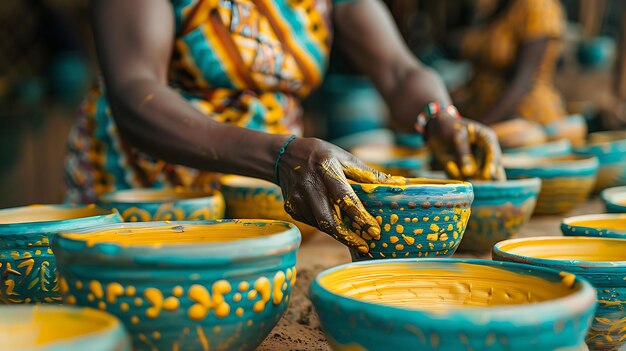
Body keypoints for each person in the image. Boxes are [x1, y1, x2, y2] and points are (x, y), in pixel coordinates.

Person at [65, 0, 504, 253]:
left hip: (268, 192)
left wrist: (440, 117)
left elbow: (399, 69)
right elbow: (135, 90)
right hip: (149, 191)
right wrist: (279, 155)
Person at [454, 0, 567, 127]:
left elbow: (523, 81)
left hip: (522, 118)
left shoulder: (538, 7)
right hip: (484, 113)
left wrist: (483, 127)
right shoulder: (493, 6)